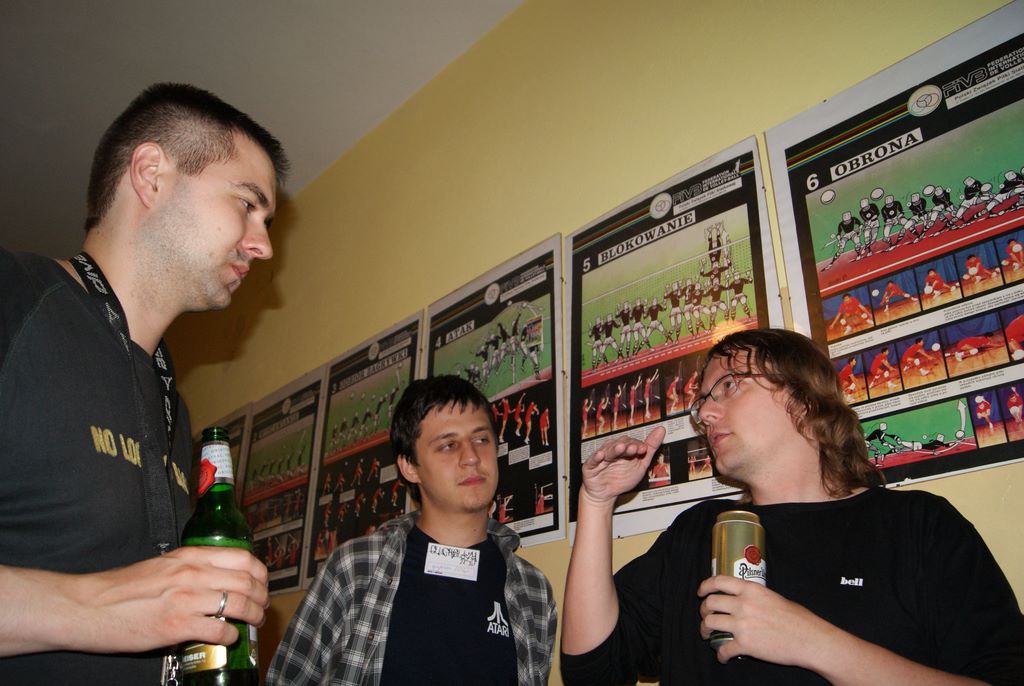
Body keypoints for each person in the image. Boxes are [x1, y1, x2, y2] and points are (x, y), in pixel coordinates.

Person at [0, 83, 287, 683]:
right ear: (152, 175)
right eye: (247, 204)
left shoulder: (172, 407)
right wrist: (100, 607)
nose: (263, 245)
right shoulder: (12, 298)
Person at [561, 328, 1023, 685]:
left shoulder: (920, 526)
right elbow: (592, 671)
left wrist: (812, 642)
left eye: (729, 386)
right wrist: (596, 502)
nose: (706, 414)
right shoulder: (697, 531)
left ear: (802, 399)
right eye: (702, 403)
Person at [267, 375, 556, 685]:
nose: (472, 457)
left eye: (481, 439)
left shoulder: (534, 590)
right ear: (409, 467)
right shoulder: (355, 568)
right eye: (448, 445)